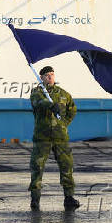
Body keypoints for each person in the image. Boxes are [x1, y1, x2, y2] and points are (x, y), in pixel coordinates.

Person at [29, 66, 79, 210]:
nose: (50, 77)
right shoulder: (37, 92)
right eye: (47, 75)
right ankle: (35, 199)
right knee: (37, 167)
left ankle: (69, 197)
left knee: (66, 166)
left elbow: (72, 110)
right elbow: (37, 102)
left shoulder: (64, 94)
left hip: (60, 137)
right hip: (42, 137)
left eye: (52, 74)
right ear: (42, 78)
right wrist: (51, 105)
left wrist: (63, 124)